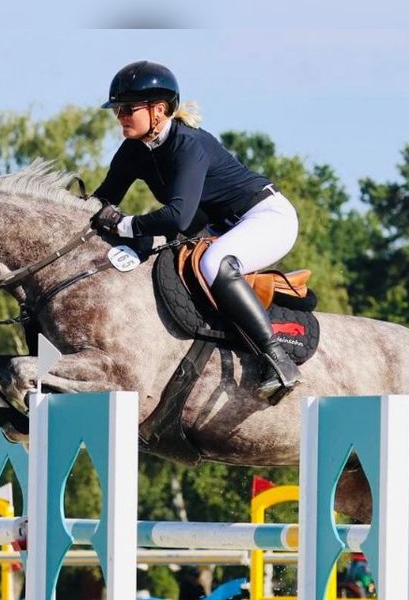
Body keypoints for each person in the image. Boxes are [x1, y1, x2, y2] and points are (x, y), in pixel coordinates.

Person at [91, 60, 301, 402]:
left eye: (128, 109)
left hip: (267, 217)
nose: (120, 117)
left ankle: (277, 359)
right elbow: (103, 201)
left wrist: (126, 224)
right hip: (221, 227)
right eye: (117, 110)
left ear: (158, 110)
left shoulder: (189, 144)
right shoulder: (134, 150)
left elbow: (177, 216)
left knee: (214, 263)